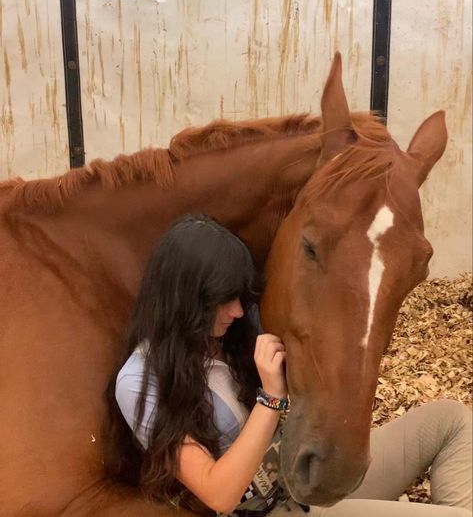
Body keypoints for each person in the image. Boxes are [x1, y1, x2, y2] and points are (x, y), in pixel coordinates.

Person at [104, 214, 472, 517]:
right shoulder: (139, 380)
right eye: (224, 299)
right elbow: (218, 493)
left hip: (304, 475)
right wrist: (270, 398)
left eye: (239, 297)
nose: (236, 310)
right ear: (186, 298)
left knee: (450, 420)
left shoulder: (228, 335)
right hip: (269, 510)